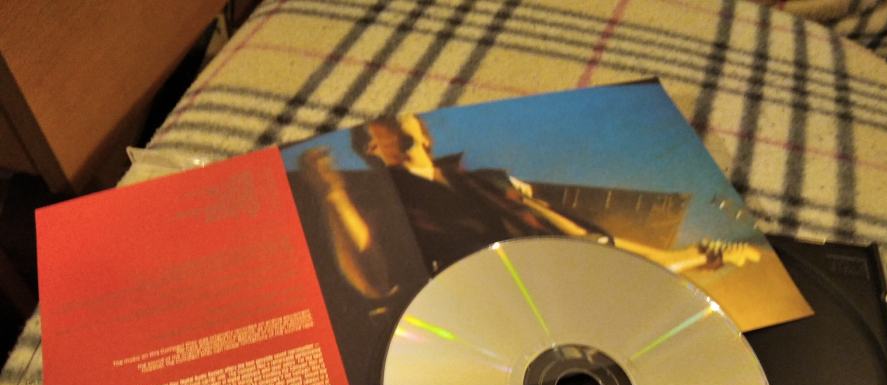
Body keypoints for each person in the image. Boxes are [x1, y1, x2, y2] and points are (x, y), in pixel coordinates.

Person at [299, 113, 760, 300]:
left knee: (602, 252)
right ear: (370, 150)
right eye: (370, 135)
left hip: (559, 254)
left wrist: (579, 232)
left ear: (422, 133)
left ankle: (695, 257)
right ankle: (694, 258)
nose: (382, 134)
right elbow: (375, 278)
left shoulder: (484, 178)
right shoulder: (391, 202)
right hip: (503, 287)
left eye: (397, 125)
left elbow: (554, 221)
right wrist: (331, 195)